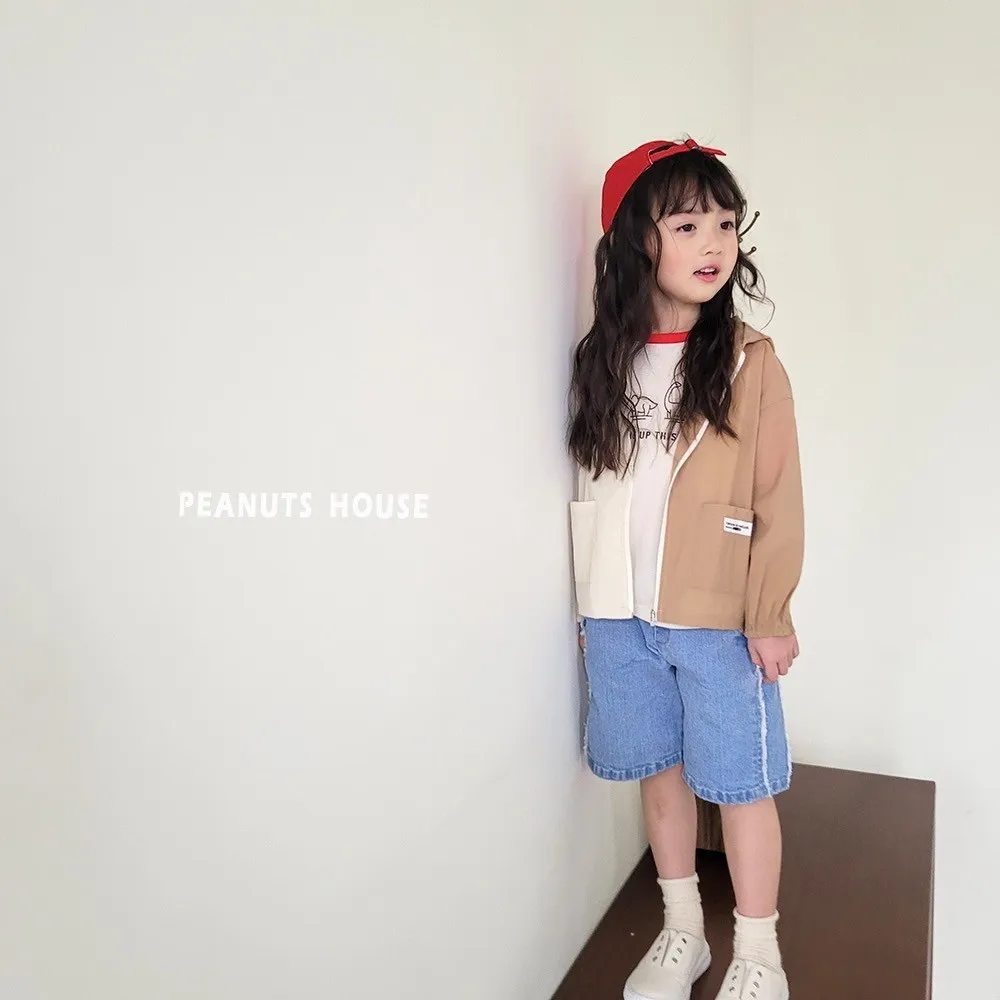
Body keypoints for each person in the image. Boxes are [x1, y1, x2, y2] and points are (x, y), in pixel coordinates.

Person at [566, 137, 804, 1000]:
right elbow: (594, 487)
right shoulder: (603, 359)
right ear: (639, 239)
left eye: (727, 224)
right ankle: (681, 931)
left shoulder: (750, 360)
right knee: (657, 773)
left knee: (740, 783)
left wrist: (769, 613)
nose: (714, 244)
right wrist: (592, 606)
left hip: (718, 619)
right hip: (620, 616)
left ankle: (758, 952)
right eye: (689, 224)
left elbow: (777, 494)